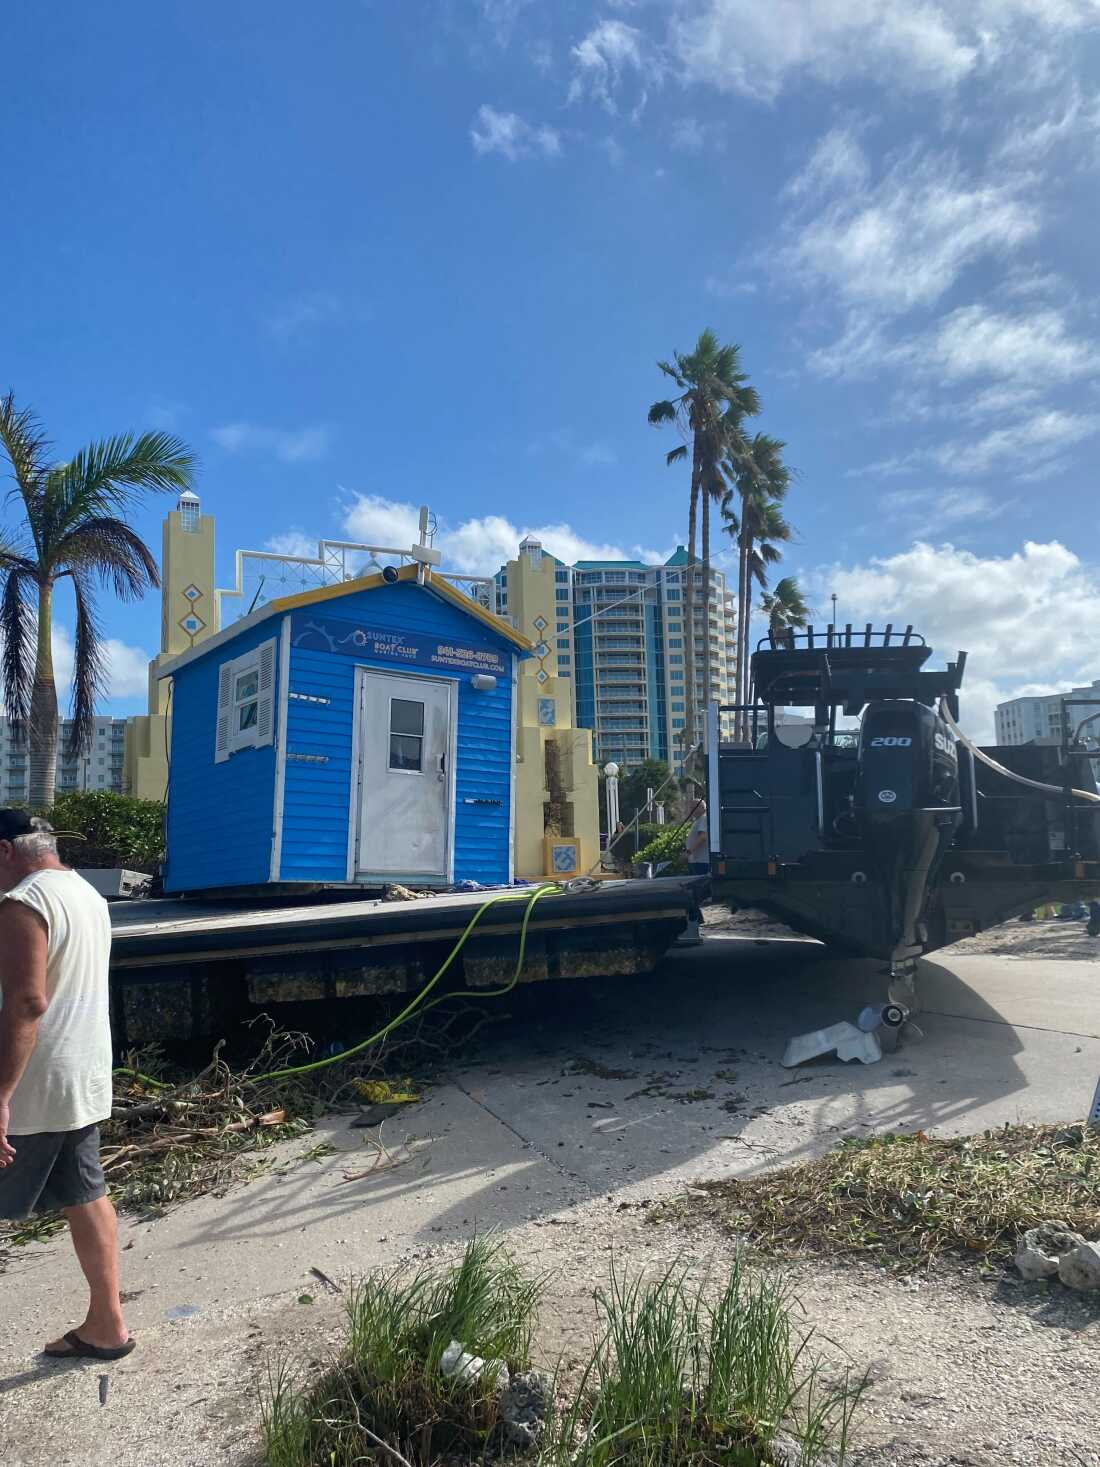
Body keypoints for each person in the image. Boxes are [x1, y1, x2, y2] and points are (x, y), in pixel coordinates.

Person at [0, 809, 133, 1360]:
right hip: (80, 1078)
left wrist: (1, 1093)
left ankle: (108, 1322)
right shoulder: (86, 894)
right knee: (86, 1194)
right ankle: (108, 1324)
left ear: (5, 851)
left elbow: (28, 1002)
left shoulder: (23, 903)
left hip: (32, 1088)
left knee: (83, 1195)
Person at [685, 798, 709, 875]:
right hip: (696, 860)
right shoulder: (699, 820)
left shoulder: (704, 818)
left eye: (694, 807)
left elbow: (702, 837)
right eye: (691, 807)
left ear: (702, 807)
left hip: (701, 861)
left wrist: (688, 852)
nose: (691, 810)